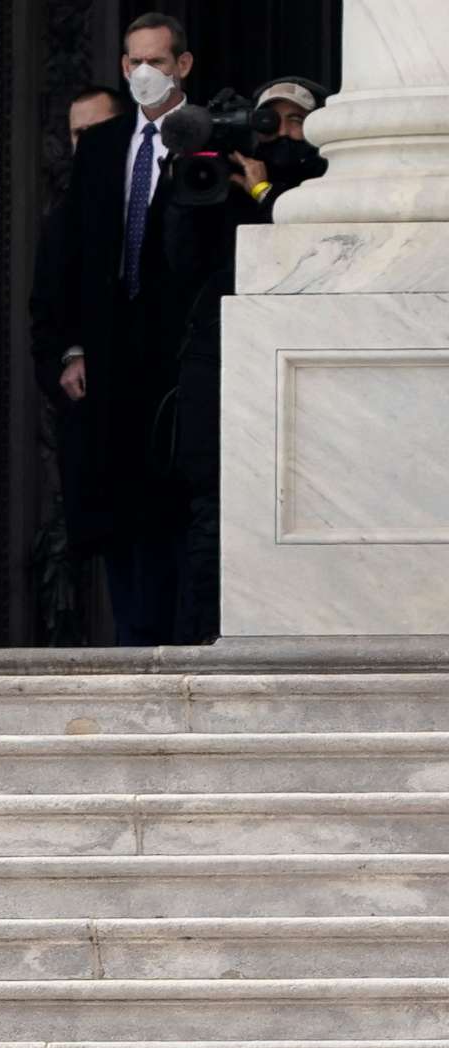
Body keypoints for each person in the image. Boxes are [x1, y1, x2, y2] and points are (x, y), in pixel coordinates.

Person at [37, 12, 204, 647]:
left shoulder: (204, 139)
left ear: (182, 66)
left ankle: (183, 640)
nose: (143, 74)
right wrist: (70, 347)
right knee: (118, 507)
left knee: (178, 510)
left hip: (178, 358)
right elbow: (71, 256)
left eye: (156, 62)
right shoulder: (104, 147)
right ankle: (136, 639)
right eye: (133, 62)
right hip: (110, 360)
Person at [162, 76, 329, 647]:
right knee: (210, 505)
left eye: (296, 121)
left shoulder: (326, 181)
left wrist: (263, 195)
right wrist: (191, 187)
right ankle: (203, 636)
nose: (282, 135)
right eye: (270, 122)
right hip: (218, 351)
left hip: (303, 364)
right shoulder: (219, 184)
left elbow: (309, 251)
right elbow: (181, 265)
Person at [26, 86, 131, 648]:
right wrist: (68, 358)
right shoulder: (61, 216)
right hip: (96, 422)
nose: (84, 144)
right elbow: (44, 315)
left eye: (96, 131)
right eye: (75, 134)